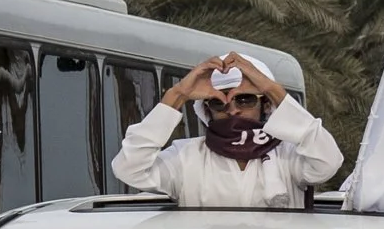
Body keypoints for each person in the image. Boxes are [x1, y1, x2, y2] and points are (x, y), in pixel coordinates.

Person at [112, 53, 344, 208]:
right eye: (219, 103)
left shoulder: (289, 155)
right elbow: (129, 169)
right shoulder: (185, 157)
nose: (232, 110)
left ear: (265, 105)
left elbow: (328, 162)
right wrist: (177, 95)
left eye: (244, 99)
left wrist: (270, 88)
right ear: (207, 110)